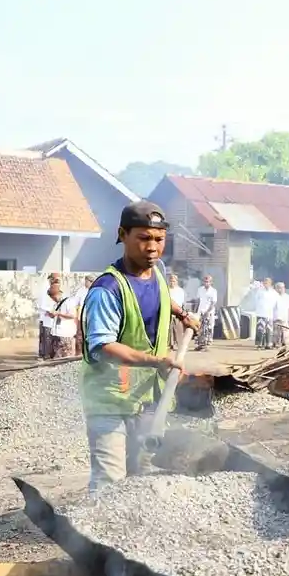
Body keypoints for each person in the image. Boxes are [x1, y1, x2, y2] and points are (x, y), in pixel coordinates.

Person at [80, 200, 199, 495]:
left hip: (148, 400)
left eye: (159, 239)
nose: (152, 248)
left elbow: (160, 296)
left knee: (142, 477)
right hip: (110, 402)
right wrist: (156, 361)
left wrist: (183, 314)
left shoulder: (156, 274)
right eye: (144, 238)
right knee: (110, 482)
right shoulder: (107, 289)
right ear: (123, 234)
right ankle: (97, 524)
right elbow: (103, 346)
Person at [43, 276, 75, 359]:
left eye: (54, 297)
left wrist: (58, 314)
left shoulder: (68, 302)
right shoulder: (56, 304)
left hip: (65, 334)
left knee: (65, 359)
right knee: (56, 358)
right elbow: (55, 315)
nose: (53, 300)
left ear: (59, 294)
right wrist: (51, 315)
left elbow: (72, 315)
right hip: (56, 334)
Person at [36, 273, 62, 360]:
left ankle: (46, 354)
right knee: (46, 337)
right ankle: (45, 355)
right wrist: (50, 311)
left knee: (48, 337)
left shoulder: (54, 288)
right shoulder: (45, 289)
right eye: (55, 279)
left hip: (51, 317)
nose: (56, 281)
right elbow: (41, 304)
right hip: (46, 317)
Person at [73, 275, 97, 356]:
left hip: (93, 318)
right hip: (82, 318)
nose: (85, 283)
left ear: (91, 282)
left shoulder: (96, 290)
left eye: (86, 281)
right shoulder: (81, 291)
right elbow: (75, 304)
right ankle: (79, 353)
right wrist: (76, 316)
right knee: (80, 336)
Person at [196, 274, 218, 350]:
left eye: (208, 281)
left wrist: (207, 311)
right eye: (205, 281)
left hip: (209, 312)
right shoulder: (200, 289)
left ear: (211, 282)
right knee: (200, 327)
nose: (206, 283)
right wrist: (195, 310)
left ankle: (208, 342)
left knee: (209, 327)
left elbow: (213, 303)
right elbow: (198, 301)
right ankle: (200, 342)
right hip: (200, 311)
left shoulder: (213, 291)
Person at [255, 277, 278, 350]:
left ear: (270, 284)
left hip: (269, 314)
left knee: (269, 330)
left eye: (267, 283)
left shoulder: (273, 292)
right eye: (265, 283)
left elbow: (275, 303)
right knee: (260, 329)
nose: (266, 284)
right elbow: (256, 300)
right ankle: (259, 344)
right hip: (261, 313)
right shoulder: (260, 291)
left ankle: (268, 344)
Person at [168, 273, 188, 349]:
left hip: (178, 312)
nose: (172, 282)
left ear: (176, 281)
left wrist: (182, 312)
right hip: (169, 311)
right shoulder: (167, 290)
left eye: (173, 281)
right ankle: (171, 344)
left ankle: (177, 344)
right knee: (169, 329)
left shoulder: (180, 291)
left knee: (177, 329)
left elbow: (182, 303)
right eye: (171, 281)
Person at [272, 281, 289, 348]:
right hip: (276, 317)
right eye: (278, 288)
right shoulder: (273, 297)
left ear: (284, 288)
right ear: (275, 288)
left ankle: (285, 343)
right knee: (276, 332)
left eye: (281, 288)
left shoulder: (288, 297)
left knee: (285, 332)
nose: (280, 289)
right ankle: (276, 343)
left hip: (285, 317)